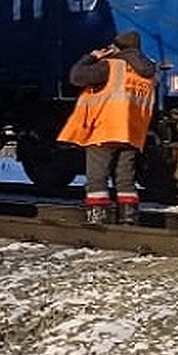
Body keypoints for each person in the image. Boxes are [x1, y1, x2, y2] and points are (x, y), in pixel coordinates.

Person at [57, 30, 156, 226]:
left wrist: (91, 57)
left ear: (117, 48)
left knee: (97, 177)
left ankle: (98, 218)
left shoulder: (110, 66)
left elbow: (76, 77)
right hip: (132, 134)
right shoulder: (148, 72)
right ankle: (128, 218)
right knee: (126, 178)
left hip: (105, 130)